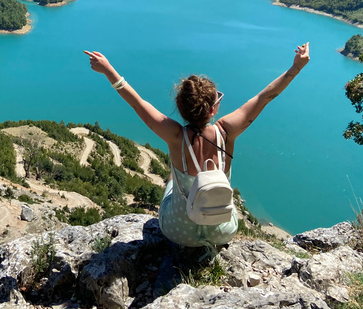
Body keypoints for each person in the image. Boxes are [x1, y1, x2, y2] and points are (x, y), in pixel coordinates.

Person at [84, 43, 310, 249]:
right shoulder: (226, 132)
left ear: (181, 108)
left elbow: (137, 102)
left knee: (172, 181)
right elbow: (265, 96)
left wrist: (108, 70)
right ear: (213, 109)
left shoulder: (175, 136)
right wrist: (296, 67)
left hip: (178, 232)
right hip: (222, 231)